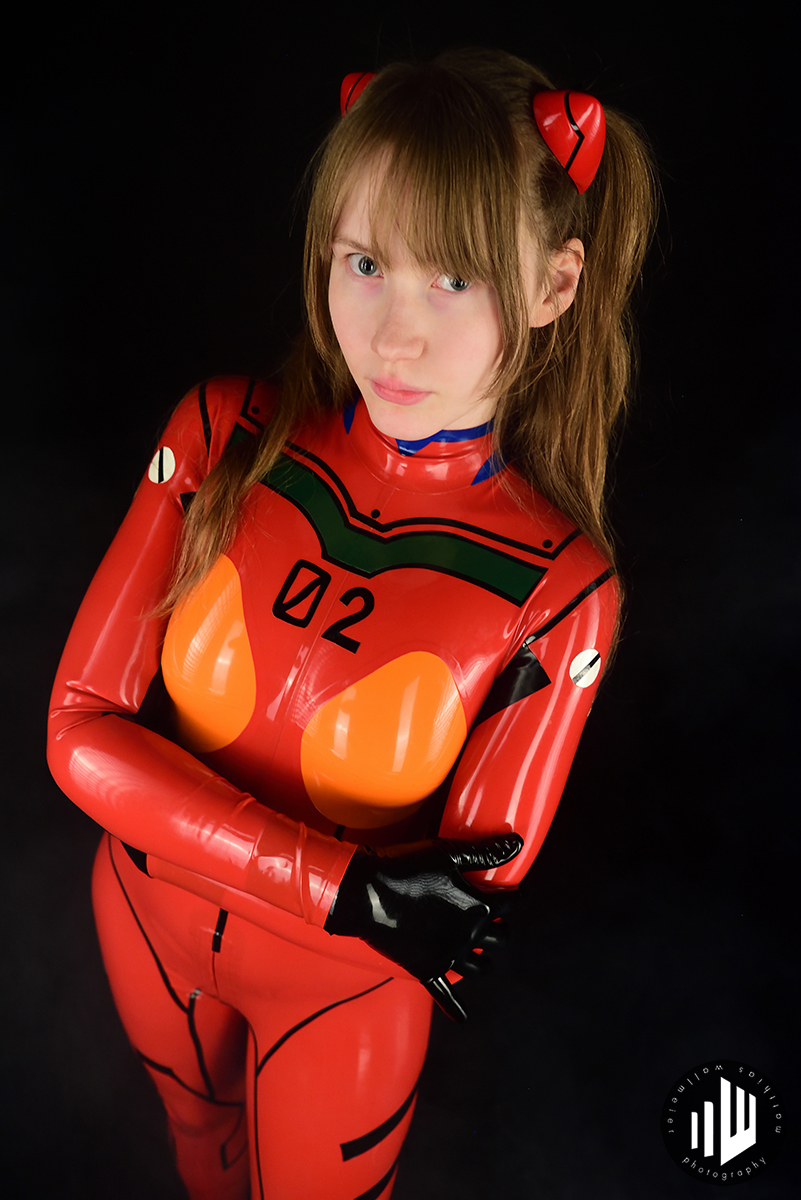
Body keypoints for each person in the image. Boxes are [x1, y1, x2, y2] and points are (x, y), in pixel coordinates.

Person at [47, 47, 654, 1200]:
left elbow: (462, 903)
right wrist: (346, 889)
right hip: (144, 928)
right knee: (197, 1153)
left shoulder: (561, 593)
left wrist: (353, 903)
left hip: (338, 1000)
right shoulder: (222, 435)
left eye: (455, 279)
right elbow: (76, 732)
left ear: (555, 286)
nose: (392, 336)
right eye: (366, 263)